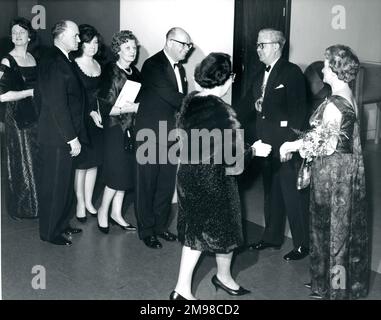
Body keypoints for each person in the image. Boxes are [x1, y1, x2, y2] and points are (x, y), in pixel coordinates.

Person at [170, 53, 272, 300]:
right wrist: (255, 151)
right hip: (213, 181)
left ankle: (218, 278)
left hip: (188, 175)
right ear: (225, 80)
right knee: (218, 232)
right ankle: (184, 290)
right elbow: (235, 161)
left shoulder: (190, 101)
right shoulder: (223, 111)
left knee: (201, 231)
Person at [280, 45, 369, 300]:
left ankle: (334, 290)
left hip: (333, 175)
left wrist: (294, 145)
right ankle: (327, 284)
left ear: (336, 69)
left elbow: (326, 144)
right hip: (344, 171)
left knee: (332, 232)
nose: (323, 69)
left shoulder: (335, 104)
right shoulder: (346, 94)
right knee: (333, 230)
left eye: (327, 64)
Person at [246, 28, 309, 261]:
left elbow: (299, 112)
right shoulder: (259, 72)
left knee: (292, 194)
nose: (258, 49)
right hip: (266, 143)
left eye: (262, 45)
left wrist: (291, 145)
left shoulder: (292, 73)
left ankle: (303, 244)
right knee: (271, 192)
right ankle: (272, 236)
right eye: (258, 44)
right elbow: (250, 103)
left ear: (276, 46)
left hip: (285, 146)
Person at [135, 27, 192, 249]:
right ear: (169, 42)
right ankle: (146, 230)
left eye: (189, 45)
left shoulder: (181, 69)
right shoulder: (153, 65)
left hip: (171, 134)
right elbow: (172, 97)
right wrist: (202, 103)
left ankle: (160, 226)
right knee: (146, 184)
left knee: (165, 184)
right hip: (150, 132)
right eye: (184, 44)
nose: (187, 49)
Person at [37, 20, 86, 246]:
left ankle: (60, 224)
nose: (79, 39)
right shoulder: (55, 61)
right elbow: (57, 104)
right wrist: (71, 138)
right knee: (55, 185)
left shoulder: (63, 60)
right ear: (61, 36)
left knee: (64, 184)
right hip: (58, 137)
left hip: (60, 134)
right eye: (75, 35)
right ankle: (49, 232)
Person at [96, 30, 139, 234]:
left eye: (134, 47)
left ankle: (116, 213)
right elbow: (105, 108)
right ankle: (103, 211)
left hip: (131, 129)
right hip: (115, 130)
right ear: (118, 50)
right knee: (116, 175)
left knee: (125, 175)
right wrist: (130, 108)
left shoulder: (135, 72)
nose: (132, 51)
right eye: (127, 48)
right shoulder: (110, 71)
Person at [0, 17, 40, 219]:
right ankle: (23, 207)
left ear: (29, 36)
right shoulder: (7, 60)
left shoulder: (33, 57)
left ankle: (37, 205)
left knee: (35, 159)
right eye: (14, 32)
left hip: (34, 114)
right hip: (16, 116)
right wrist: (30, 93)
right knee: (22, 161)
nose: (17, 36)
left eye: (22, 32)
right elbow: (1, 95)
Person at [71, 24, 104, 222]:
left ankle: (90, 201)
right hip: (81, 120)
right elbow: (74, 98)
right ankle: (80, 203)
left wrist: (99, 112)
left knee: (94, 164)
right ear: (80, 44)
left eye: (95, 42)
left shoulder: (100, 65)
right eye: (88, 43)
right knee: (81, 165)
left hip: (98, 121)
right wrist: (90, 112)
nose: (92, 46)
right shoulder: (74, 66)